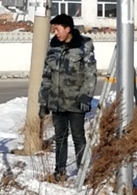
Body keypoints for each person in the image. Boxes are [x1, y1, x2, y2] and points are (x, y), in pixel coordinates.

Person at [38, 13, 97, 182]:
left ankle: (83, 173)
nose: (55, 33)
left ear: (67, 29)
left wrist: (85, 98)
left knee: (78, 137)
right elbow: (46, 76)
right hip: (57, 102)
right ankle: (60, 171)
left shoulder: (84, 46)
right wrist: (43, 102)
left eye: (57, 29)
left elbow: (90, 74)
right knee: (60, 137)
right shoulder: (53, 47)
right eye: (54, 29)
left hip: (76, 102)